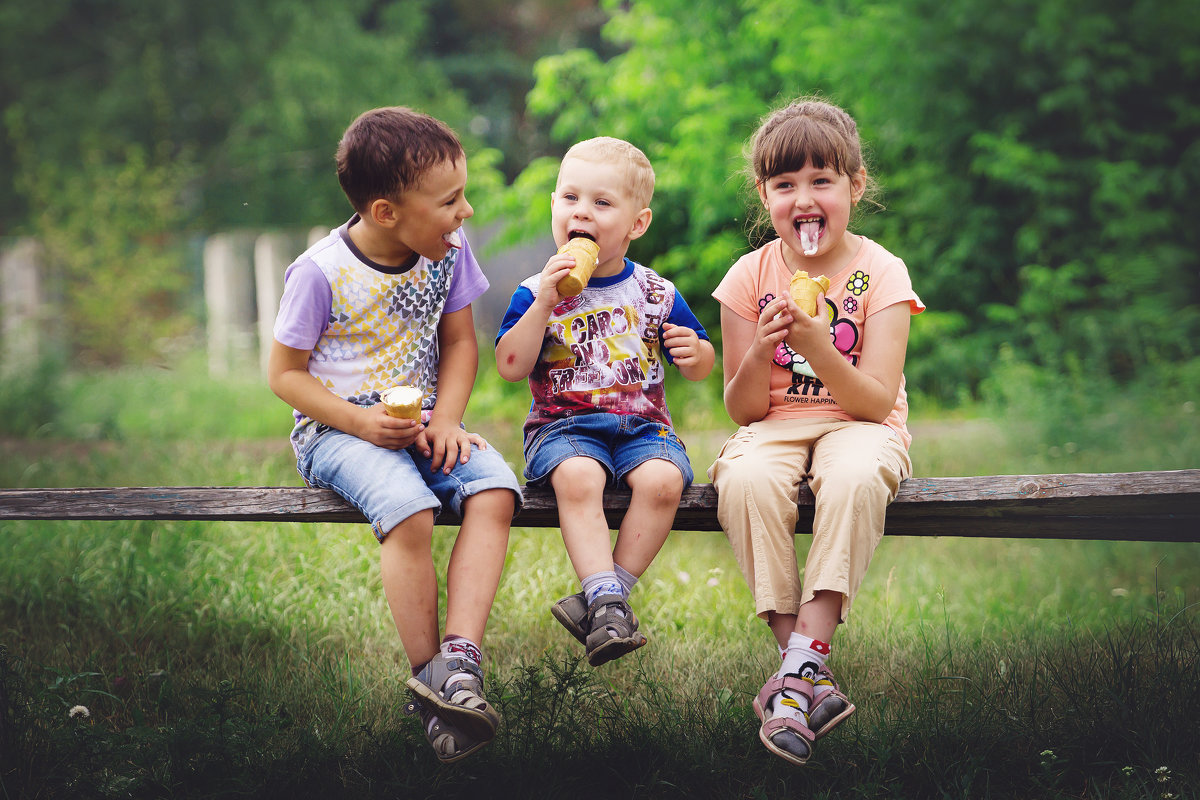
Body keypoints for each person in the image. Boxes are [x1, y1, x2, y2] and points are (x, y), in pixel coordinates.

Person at [267, 106, 521, 763]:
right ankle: (427, 677)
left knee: (495, 490)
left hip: (426, 418)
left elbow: (462, 343)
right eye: (450, 201)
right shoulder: (320, 272)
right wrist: (357, 422)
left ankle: (459, 661)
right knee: (410, 510)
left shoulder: (449, 254)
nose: (465, 212)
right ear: (387, 212)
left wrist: (446, 422)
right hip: (337, 429)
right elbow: (285, 375)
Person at [708, 98, 925, 766]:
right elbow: (742, 410)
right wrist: (760, 351)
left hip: (860, 423)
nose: (804, 197)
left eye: (821, 181)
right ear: (764, 194)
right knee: (741, 476)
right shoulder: (749, 277)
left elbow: (873, 399)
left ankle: (796, 671)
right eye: (785, 185)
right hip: (775, 425)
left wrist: (816, 345)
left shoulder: (881, 273)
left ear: (855, 186)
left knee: (857, 476)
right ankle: (805, 670)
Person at [495, 137, 715, 667]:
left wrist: (694, 351)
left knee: (665, 481)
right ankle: (608, 600)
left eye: (601, 203)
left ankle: (605, 597)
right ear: (553, 206)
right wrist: (546, 301)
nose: (581, 212)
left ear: (636, 224)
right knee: (581, 478)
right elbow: (509, 365)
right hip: (563, 427)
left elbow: (703, 360)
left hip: (644, 428)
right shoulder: (533, 291)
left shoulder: (656, 292)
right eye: (570, 198)